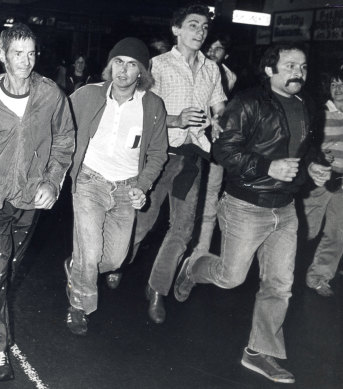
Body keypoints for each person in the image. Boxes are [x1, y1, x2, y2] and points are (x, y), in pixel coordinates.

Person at [174, 43, 332, 384]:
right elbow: (222, 150)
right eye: (289, 65)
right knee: (231, 278)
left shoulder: (306, 105)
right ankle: (195, 266)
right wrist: (267, 166)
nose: (297, 73)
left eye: (302, 67)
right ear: (269, 70)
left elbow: (301, 152)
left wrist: (313, 166)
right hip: (245, 206)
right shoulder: (248, 103)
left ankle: (260, 352)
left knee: (279, 286)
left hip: (286, 209)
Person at [0, 23, 74, 381]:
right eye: (17, 54)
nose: (25, 61)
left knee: (8, 269)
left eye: (31, 53)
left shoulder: (51, 95)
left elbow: (64, 141)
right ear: (3, 55)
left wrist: (53, 183)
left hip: (30, 197)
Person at [125, 4, 226, 324]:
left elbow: (219, 108)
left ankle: (157, 289)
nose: (200, 32)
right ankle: (107, 264)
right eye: (193, 25)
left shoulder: (212, 69)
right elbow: (140, 113)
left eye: (204, 28)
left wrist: (221, 121)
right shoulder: (158, 66)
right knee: (141, 225)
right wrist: (176, 119)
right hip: (161, 156)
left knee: (182, 230)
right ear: (176, 30)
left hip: (193, 157)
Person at [64, 38, 168, 336]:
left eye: (132, 64)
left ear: (142, 72)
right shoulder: (87, 95)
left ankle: (77, 267)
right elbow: (60, 126)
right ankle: (78, 307)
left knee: (113, 259)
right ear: (110, 65)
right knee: (91, 251)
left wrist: (143, 185)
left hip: (126, 189)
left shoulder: (152, 105)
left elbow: (159, 152)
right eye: (118, 62)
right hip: (89, 181)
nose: (123, 69)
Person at [193, 32, 238, 255]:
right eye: (210, 46)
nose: (212, 51)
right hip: (189, 145)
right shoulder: (191, 67)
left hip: (214, 146)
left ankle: (200, 253)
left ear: (226, 54)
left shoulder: (228, 76)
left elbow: (221, 110)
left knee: (210, 199)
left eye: (218, 49)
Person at [302, 67, 343, 297]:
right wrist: (319, 156)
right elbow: (307, 145)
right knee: (307, 229)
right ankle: (277, 266)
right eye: (334, 84)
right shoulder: (321, 114)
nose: (338, 89)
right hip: (320, 181)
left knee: (337, 234)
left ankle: (318, 277)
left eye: (342, 84)